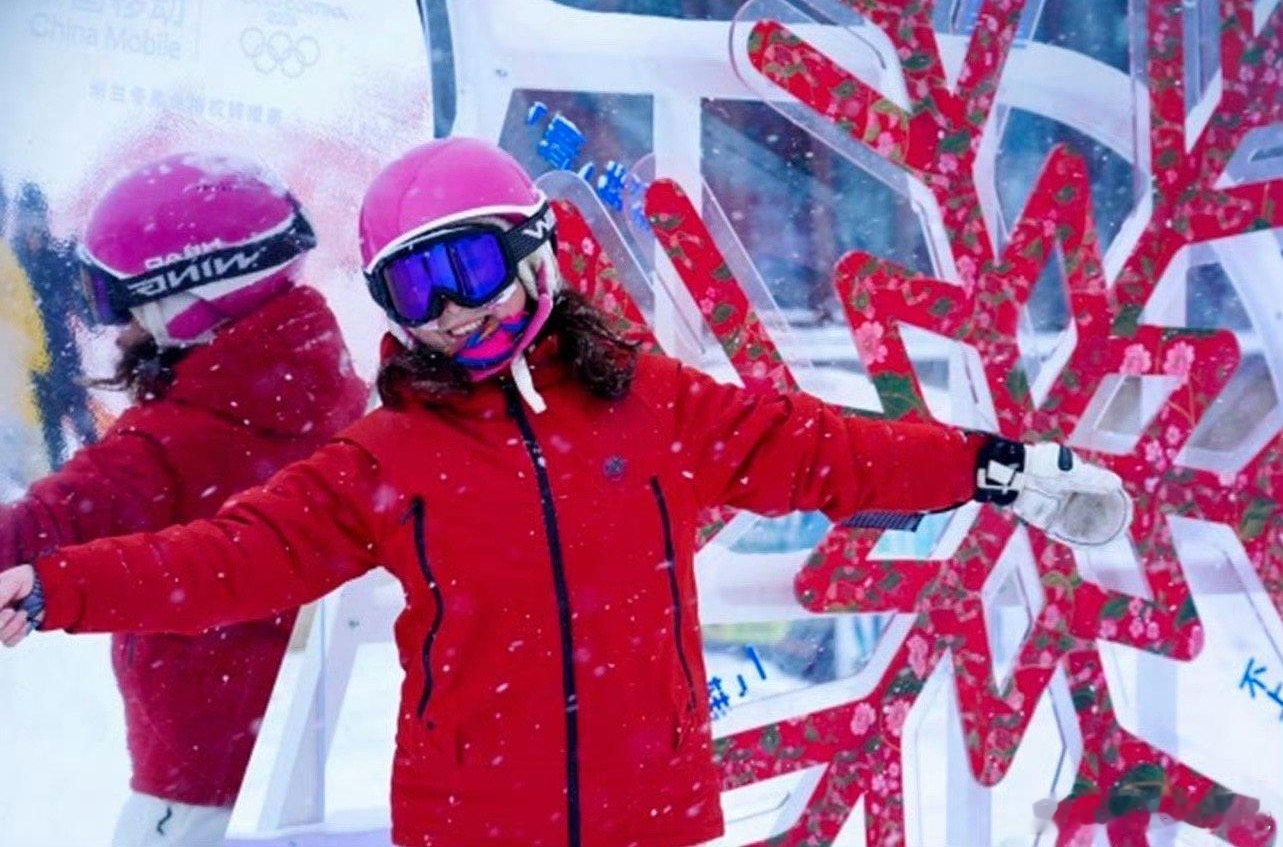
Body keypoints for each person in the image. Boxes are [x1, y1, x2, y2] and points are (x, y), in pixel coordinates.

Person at [0, 138, 1131, 847]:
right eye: (419, 288)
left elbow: (823, 451)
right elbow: (221, 558)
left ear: (537, 253)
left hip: (653, 813)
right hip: (472, 823)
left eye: (476, 267)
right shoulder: (384, 457)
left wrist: (991, 465)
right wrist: (51, 588)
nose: (461, 312)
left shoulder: (655, 408)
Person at [0, 153, 368, 846]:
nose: (113, 327)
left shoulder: (171, 443)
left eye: (121, 303)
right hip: (314, 763)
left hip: (193, 787)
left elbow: (35, 530)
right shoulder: (330, 381)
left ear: (192, 298)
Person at [9, 182, 99, 468]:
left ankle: (98, 483)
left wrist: (80, 267)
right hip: (33, 367)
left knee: (88, 434)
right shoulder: (12, 262)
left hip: (65, 358)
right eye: (27, 217)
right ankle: (61, 492)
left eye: (37, 216)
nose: (33, 225)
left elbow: (85, 310)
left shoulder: (60, 257)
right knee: (51, 444)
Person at [0, 179, 52, 492]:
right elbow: (29, 325)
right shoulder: (9, 260)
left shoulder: (9, 258)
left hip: (19, 403)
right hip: (17, 405)